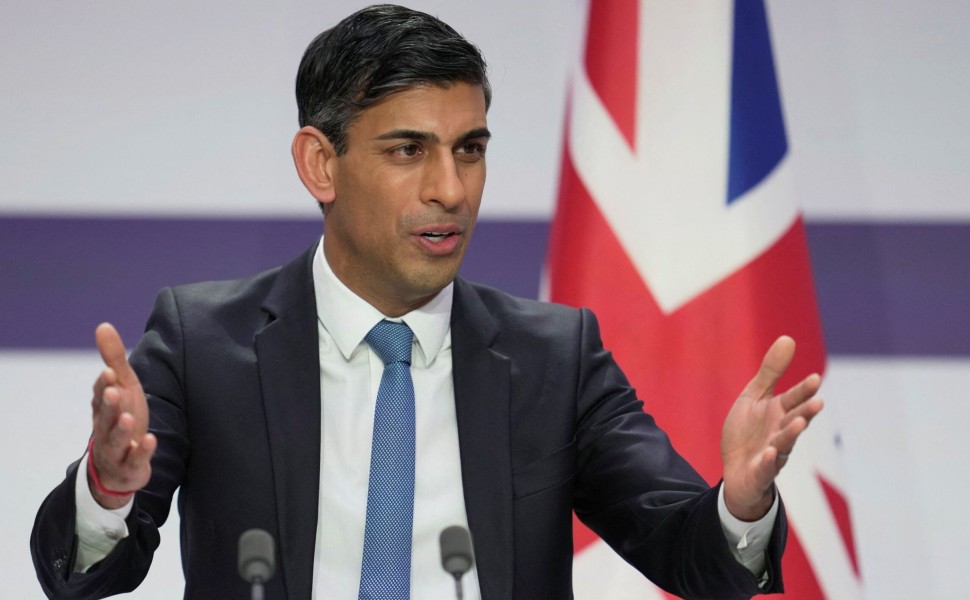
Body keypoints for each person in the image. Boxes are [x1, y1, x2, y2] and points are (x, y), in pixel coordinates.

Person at [31, 4, 824, 599]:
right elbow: (87, 574)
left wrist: (741, 506)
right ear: (320, 164)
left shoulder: (556, 356)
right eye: (409, 151)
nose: (451, 190)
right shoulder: (203, 343)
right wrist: (104, 489)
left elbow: (688, 553)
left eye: (469, 150)